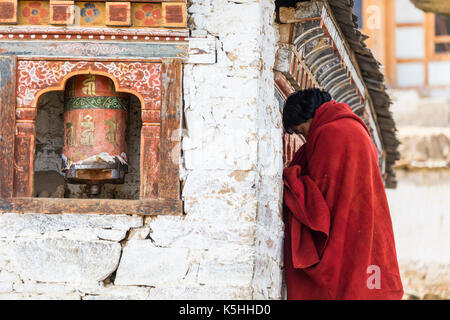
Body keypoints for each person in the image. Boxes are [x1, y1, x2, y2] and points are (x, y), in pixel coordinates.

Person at [282, 89, 404, 300]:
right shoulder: (356, 127)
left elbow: (320, 200)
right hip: (365, 225)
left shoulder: (329, 133)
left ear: (310, 117)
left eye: (303, 131)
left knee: (338, 285)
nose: (305, 138)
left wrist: (294, 179)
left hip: (343, 228)